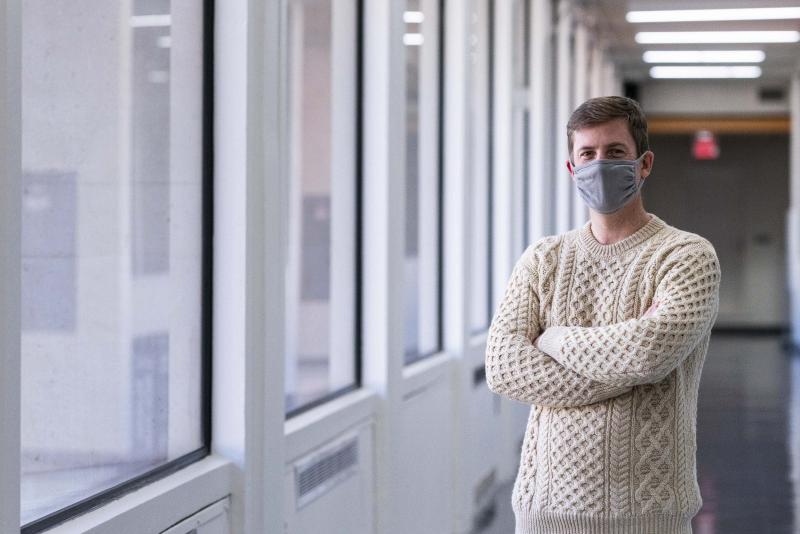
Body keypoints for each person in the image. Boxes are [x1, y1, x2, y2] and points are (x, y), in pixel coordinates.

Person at [485, 95, 721, 534]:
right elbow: (504, 368)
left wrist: (552, 340)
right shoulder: (544, 258)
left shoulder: (686, 256)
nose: (599, 164)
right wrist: (624, 358)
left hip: (651, 514)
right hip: (545, 509)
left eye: (615, 153)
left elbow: (649, 354)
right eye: (587, 154)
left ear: (644, 163)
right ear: (572, 168)